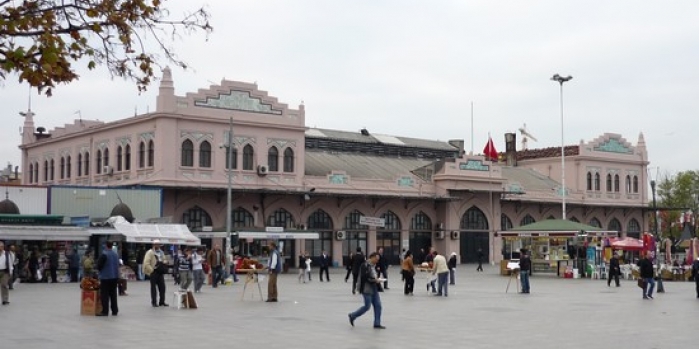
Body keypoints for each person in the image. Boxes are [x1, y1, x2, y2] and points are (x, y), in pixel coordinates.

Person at [347, 252, 385, 329]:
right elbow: (365, 277)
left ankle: (377, 323)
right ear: (372, 257)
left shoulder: (373, 266)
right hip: (366, 288)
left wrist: (377, 280)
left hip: (374, 287)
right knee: (367, 306)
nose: (377, 261)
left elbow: (374, 275)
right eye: (376, 259)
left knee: (378, 305)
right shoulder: (365, 265)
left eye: (378, 259)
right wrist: (375, 280)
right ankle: (352, 315)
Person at [96, 242, 119, 316]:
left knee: (105, 295)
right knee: (113, 294)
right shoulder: (115, 254)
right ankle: (115, 310)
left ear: (106, 246)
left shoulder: (104, 254)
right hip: (114, 277)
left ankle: (105, 311)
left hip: (106, 277)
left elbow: (99, 266)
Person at [143, 240, 169, 307]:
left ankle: (162, 302)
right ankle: (154, 302)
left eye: (159, 244)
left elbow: (164, 259)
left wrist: (165, 261)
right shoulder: (150, 252)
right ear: (153, 245)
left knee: (162, 287)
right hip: (154, 272)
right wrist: (151, 270)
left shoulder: (161, 252)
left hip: (160, 271)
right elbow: (146, 263)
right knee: (153, 288)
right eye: (156, 244)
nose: (158, 246)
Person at [1, 241, 16, 305]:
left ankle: (5, 299)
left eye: (1, 246)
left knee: (4, 285)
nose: (0, 248)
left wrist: (10, 272)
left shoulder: (7, 254)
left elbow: (10, 263)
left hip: (4, 272)